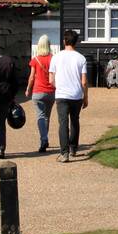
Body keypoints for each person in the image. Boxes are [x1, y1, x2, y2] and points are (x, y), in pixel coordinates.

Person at [48, 29, 89, 160]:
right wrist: (86, 97)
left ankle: (64, 153)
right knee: (75, 121)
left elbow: (51, 79)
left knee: (63, 123)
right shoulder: (81, 58)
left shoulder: (56, 57)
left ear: (64, 41)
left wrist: (58, 86)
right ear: (76, 42)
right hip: (76, 95)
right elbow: (84, 82)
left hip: (61, 94)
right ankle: (73, 148)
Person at [25, 35, 56, 153]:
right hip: (51, 91)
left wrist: (28, 88)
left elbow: (32, 77)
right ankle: (45, 139)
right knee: (47, 117)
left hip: (38, 91)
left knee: (40, 116)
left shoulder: (36, 59)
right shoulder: (53, 58)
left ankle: (43, 139)